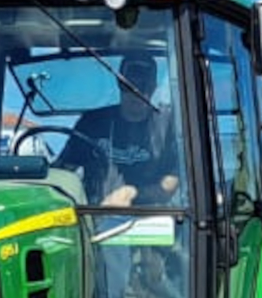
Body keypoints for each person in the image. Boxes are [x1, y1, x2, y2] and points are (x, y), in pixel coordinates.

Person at [58, 49, 182, 206]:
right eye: (129, 86)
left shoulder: (168, 125)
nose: (136, 93)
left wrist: (133, 194)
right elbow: (63, 170)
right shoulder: (92, 122)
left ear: (153, 87)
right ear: (119, 83)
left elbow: (171, 182)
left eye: (144, 86)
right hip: (94, 216)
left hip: (151, 220)